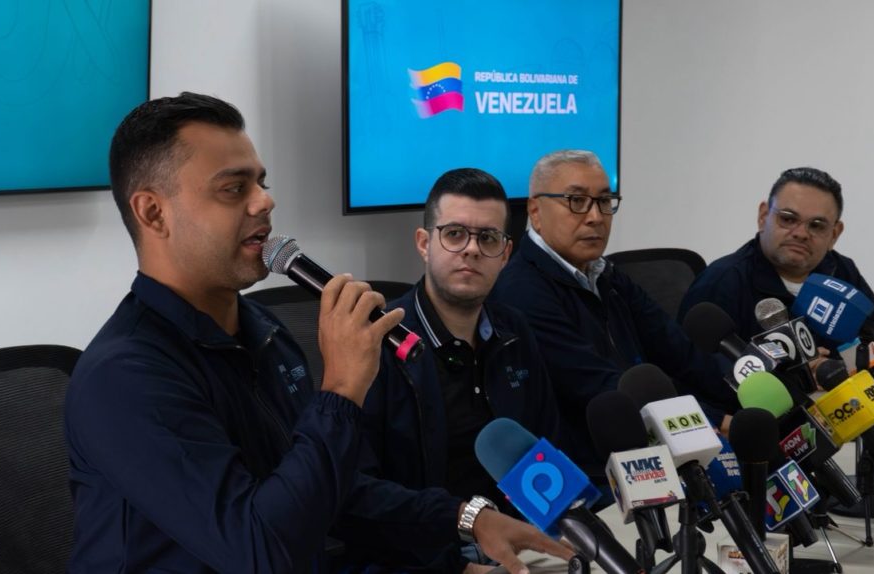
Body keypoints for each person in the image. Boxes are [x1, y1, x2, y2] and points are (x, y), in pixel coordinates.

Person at [64, 92, 572, 573]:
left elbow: (330, 493)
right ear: (153, 212)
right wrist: (342, 390)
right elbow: (261, 552)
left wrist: (465, 519)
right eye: (234, 188)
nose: (264, 202)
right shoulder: (126, 377)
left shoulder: (263, 332)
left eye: (261, 183)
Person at [359, 169, 565, 568]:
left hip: (521, 544)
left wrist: (568, 533)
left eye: (488, 238)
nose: (471, 249)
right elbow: (358, 494)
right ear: (424, 244)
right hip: (425, 557)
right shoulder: (378, 341)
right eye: (454, 234)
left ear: (505, 254)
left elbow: (546, 448)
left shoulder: (514, 331)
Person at [490, 150, 738, 461]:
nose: (595, 216)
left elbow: (679, 349)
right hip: (592, 464)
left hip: (651, 442)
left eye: (605, 201)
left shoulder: (606, 274)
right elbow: (597, 384)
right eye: (576, 201)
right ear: (535, 211)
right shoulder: (520, 291)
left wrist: (744, 400)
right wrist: (714, 421)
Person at [678, 166, 874, 374]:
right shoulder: (722, 280)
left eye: (817, 225)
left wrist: (833, 370)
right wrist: (792, 376)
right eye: (788, 219)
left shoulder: (841, 270)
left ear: (834, 234)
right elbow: (695, 373)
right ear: (763, 217)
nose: (801, 233)